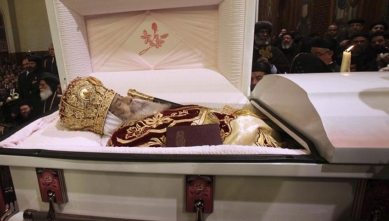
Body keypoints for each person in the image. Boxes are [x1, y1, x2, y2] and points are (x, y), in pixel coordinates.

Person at [59, 77, 282, 148]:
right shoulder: (123, 137)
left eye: (121, 96)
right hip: (235, 135)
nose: (128, 98)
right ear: (108, 119)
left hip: (231, 121)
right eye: (119, 103)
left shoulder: (141, 113)